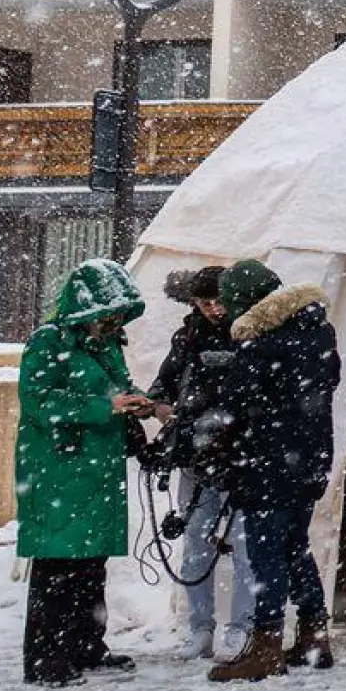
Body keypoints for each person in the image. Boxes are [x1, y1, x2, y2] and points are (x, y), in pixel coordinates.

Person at [16, 259, 150, 687]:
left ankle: (85, 646)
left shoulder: (105, 344)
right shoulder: (48, 342)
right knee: (57, 568)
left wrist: (142, 403)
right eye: (106, 315)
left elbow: (118, 387)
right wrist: (103, 408)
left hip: (95, 471)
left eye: (117, 316)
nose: (112, 323)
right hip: (59, 470)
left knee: (90, 566)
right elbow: (37, 401)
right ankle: (45, 660)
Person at [206, 260, 341, 683]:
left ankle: (265, 647)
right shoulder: (318, 334)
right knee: (294, 547)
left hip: (268, 465)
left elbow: (234, 404)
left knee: (267, 555)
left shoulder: (261, 344)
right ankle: (315, 633)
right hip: (308, 462)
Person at [147, 266, 255, 661]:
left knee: (245, 545)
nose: (213, 310)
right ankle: (200, 626)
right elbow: (165, 381)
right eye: (204, 303)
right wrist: (160, 406)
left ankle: (242, 626)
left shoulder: (251, 332)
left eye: (218, 301)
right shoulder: (187, 337)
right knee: (196, 540)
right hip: (194, 456)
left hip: (242, 457)